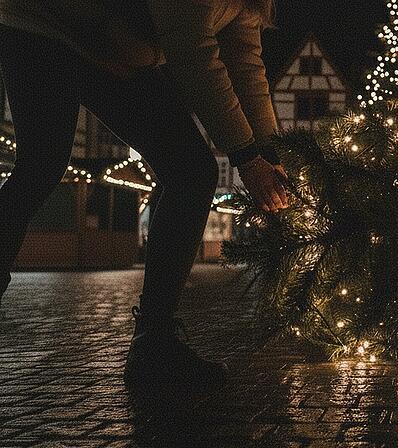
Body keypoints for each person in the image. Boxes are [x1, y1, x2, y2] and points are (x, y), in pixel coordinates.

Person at [0, 0, 289, 389]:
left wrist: (270, 154)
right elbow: (192, 50)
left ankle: (153, 345)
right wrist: (246, 156)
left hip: (115, 43)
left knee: (191, 170)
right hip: (45, 23)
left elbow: (246, 65)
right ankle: (153, 346)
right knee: (41, 166)